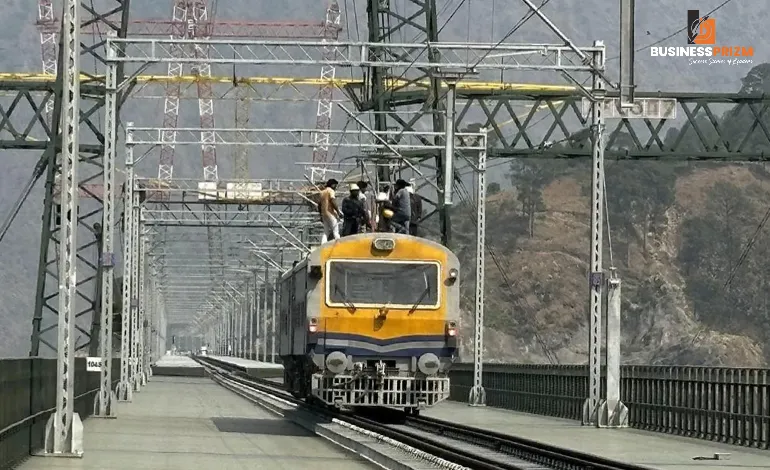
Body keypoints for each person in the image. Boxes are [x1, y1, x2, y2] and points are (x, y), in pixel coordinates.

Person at [318, 178, 341, 243]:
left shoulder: (322, 192)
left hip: (324, 214)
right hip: (330, 213)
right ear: (333, 185)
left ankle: (323, 245)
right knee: (335, 230)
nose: (336, 187)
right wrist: (338, 211)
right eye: (335, 186)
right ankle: (338, 244)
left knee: (326, 232)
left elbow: (319, 205)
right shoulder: (330, 191)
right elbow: (332, 200)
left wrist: (320, 215)